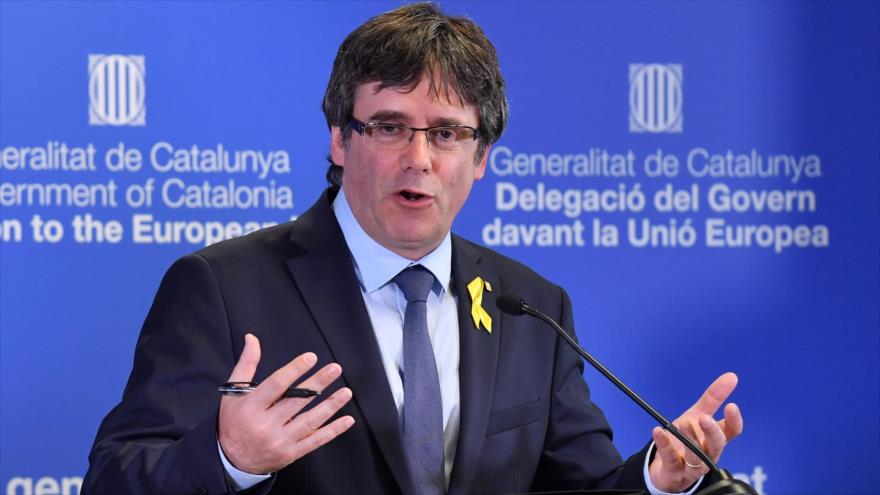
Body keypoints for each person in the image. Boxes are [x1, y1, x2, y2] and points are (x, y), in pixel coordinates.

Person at [83, 3, 743, 494]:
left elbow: (584, 488)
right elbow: (114, 481)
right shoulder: (223, 287)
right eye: (390, 126)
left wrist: (661, 477)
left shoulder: (533, 308)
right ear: (341, 140)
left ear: (481, 157)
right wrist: (228, 455)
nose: (419, 158)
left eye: (449, 133)